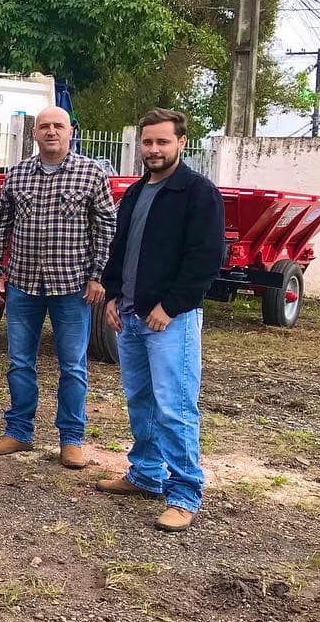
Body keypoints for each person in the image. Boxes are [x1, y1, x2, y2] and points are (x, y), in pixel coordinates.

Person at [95, 108, 225, 532]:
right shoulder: (134, 193)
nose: (153, 150)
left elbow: (205, 259)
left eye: (162, 142)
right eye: (148, 142)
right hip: (131, 315)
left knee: (175, 408)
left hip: (171, 321)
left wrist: (170, 307)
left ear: (181, 143)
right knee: (141, 402)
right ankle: (146, 474)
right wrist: (113, 295)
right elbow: (120, 249)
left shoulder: (197, 193)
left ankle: (185, 493)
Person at [0, 106, 116, 468]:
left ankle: (71, 439)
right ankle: (19, 432)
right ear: (34, 134)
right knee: (19, 362)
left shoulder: (91, 175)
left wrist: (97, 275)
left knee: (72, 366)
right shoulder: (18, 175)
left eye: (58, 126)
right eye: (44, 127)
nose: (51, 132)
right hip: (23, 284)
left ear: (71, 131)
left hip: (72, 286)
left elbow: (106, 228)